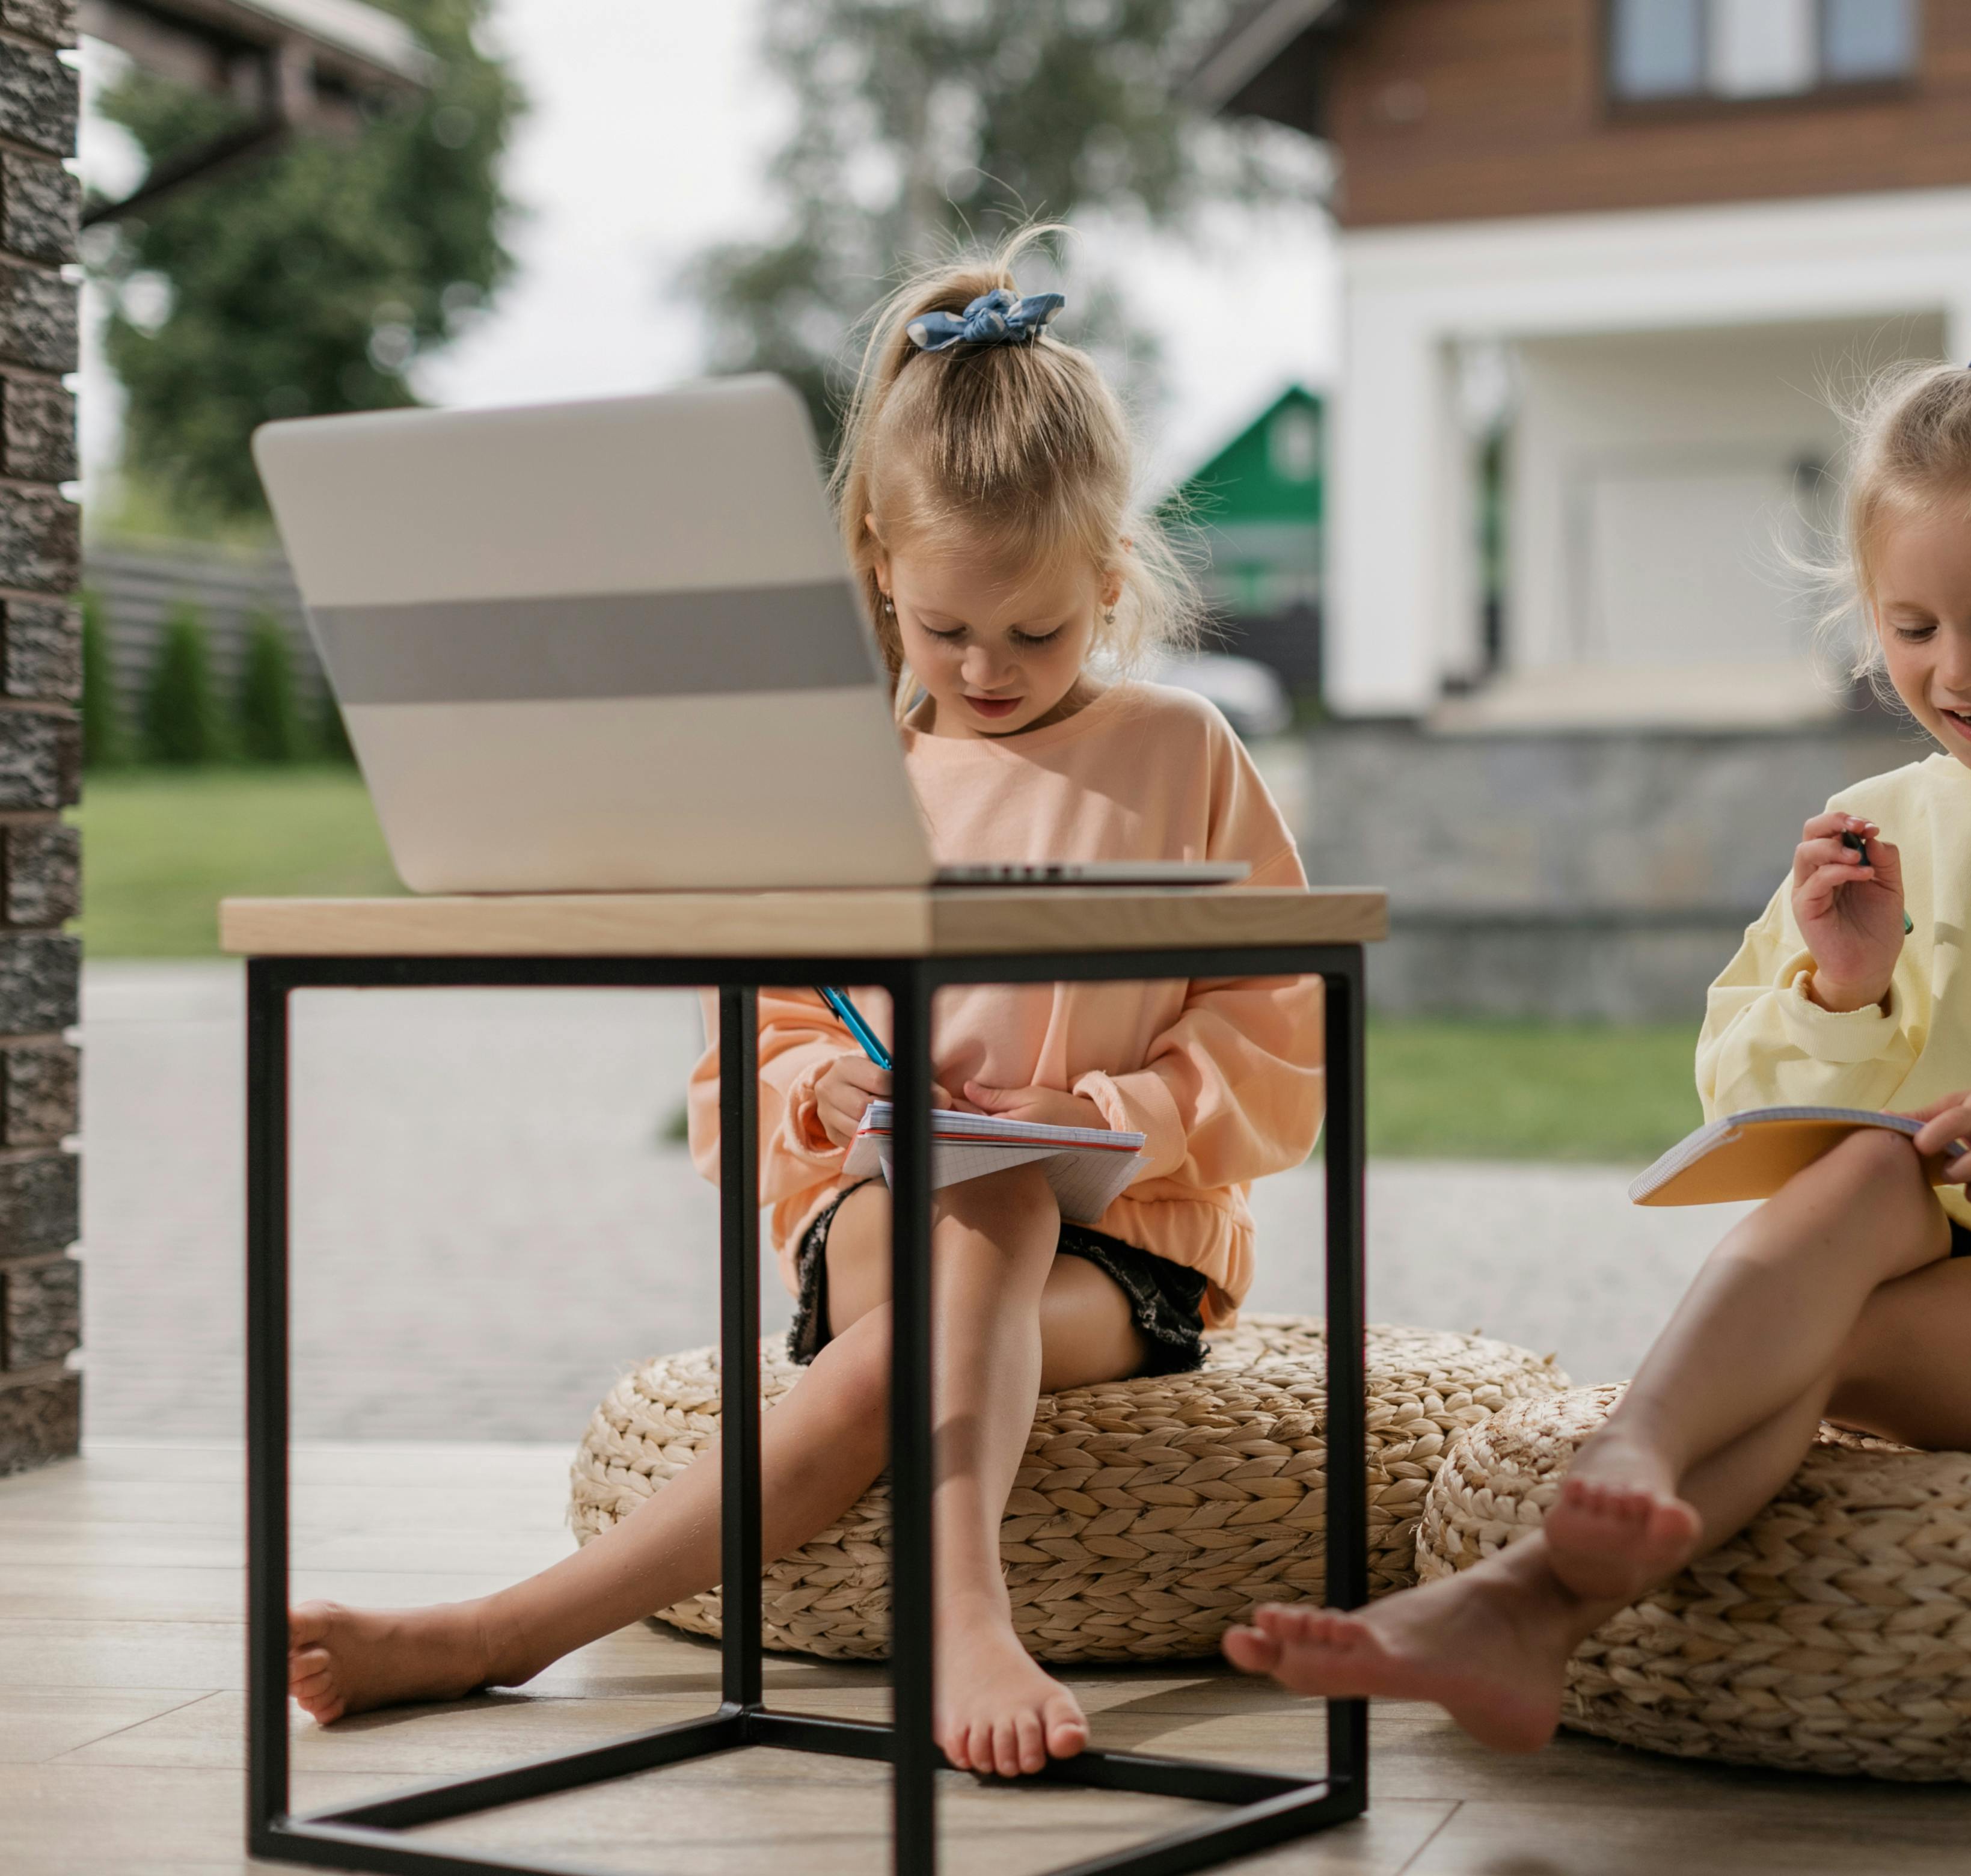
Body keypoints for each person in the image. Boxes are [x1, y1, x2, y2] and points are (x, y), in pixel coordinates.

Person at [286, 230, 1323, 1780]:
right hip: (875, 1218)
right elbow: (755, 1042)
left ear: (1109, 585)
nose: (988, 667)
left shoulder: (1182, 752)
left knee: (976, 1234)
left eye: (1037, 632)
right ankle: (952, 1608)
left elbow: (1281, 1018)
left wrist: (1106, 1112)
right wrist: (822, 1097)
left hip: (1136, 1249)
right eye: (944, 626)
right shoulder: (846, 779)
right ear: (876, 571)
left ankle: (499, 1631)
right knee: (962, 1189)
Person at [1223, 304, 1971, 1750]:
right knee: (1854, 1214)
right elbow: (1741, 1094)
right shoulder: (1879, 824)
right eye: (1913, 626)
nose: (1958, 670)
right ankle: (1536, 1611)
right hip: (1889, 1264)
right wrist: (1843, 990)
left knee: (1818, 1302)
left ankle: (1591, 1503)